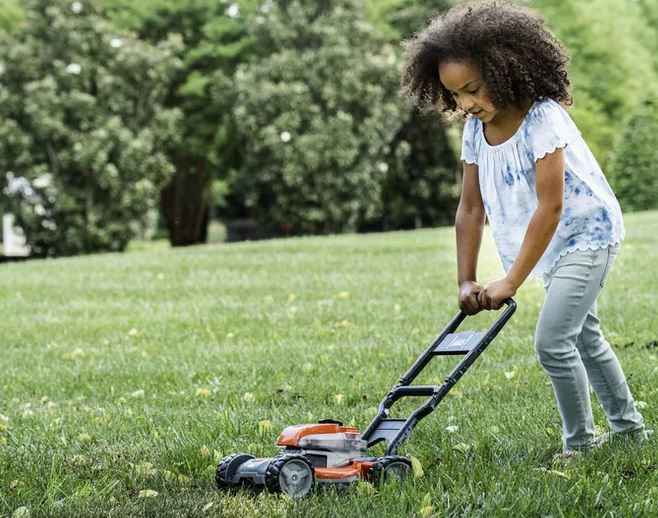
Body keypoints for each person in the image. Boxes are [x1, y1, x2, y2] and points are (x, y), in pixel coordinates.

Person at [400, 1, 647, 457]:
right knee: (584, 335)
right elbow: (470, 210)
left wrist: (510, 280)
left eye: (472, 89)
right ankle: (630, 430)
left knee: (554, 341)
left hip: (586, 235)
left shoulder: (543, 119)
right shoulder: (474, 131)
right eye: (455, 96)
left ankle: (581, 445)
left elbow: (551, 207)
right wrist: (465, 279)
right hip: (552, 247)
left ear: (505, 68)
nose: (466, 104)